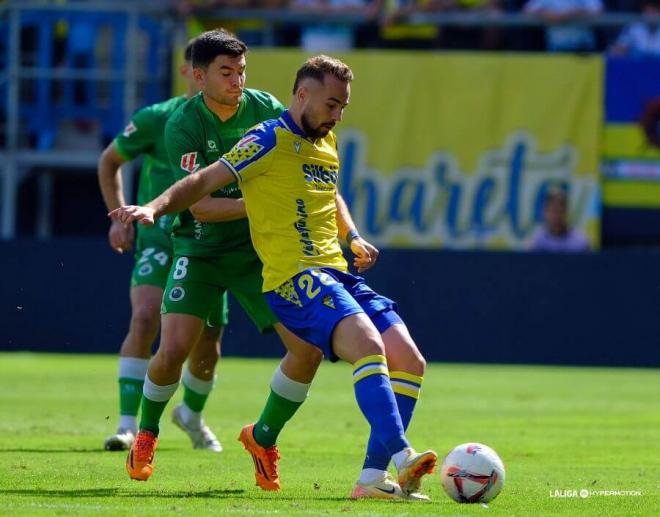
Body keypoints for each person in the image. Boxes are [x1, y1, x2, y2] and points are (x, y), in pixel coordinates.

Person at [111, 54, 437, 500]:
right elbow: (201, 184)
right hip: (267, 267)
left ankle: (368, 478)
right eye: (331, 104)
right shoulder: (263, 136)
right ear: (302, 94)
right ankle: (402, 455)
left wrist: (354, 236)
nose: (337, 114)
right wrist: (152, 207)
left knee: (408, 359)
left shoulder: (326, 141)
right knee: (175, 348)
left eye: (343, 107)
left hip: (327, 271)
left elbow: (328, 193)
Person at [119, 29, 324, 483]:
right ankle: (146, 433)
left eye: (241, 71)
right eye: (226, 72)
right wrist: (265, 204)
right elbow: (202, 208)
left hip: (258, 253)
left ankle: (263, 437)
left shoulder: (266, 108)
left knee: (308, 350)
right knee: (173, 348)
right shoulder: (183, 124)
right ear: (199, 75)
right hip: (201, 249)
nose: (237, 81)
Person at [98, 38, 227, 453]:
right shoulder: (158, 119)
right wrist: (119, 214)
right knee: (145, 318)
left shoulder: (231, 122)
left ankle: (190, 413)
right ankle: (126, 424)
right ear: (190, 72)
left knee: (208, 338)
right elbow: (110, 161)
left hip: (207, 243)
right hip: (160, 237)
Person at [530, 186, 590, 251]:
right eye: (552, 211)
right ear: (545, 212)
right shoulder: (537, 242)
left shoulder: (580, 242)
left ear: (566, 212)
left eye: (560, 211)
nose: (556, 216)